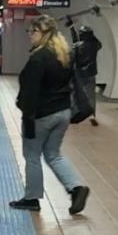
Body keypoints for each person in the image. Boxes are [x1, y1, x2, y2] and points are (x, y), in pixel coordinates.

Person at [11, 17, 91, 215]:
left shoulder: (39, 58)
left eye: (33, 31)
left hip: (41, 115)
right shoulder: (64, 54)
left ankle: (31, 199)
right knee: (53, 154)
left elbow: (30, 91)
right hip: (63, 112)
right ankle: (76, 187)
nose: (30, 36)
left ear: (43, 33)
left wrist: (26, 114)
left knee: (32, 156)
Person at [72, 24, 103, 127]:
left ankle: (75, 114)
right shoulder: (95, 45)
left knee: (76, 95)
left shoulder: (77, 46)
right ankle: (92, 116)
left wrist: (72, 28)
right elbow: (99, 43)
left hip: (79, 74)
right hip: (91, 73)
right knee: (91, 96)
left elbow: (74, 47)